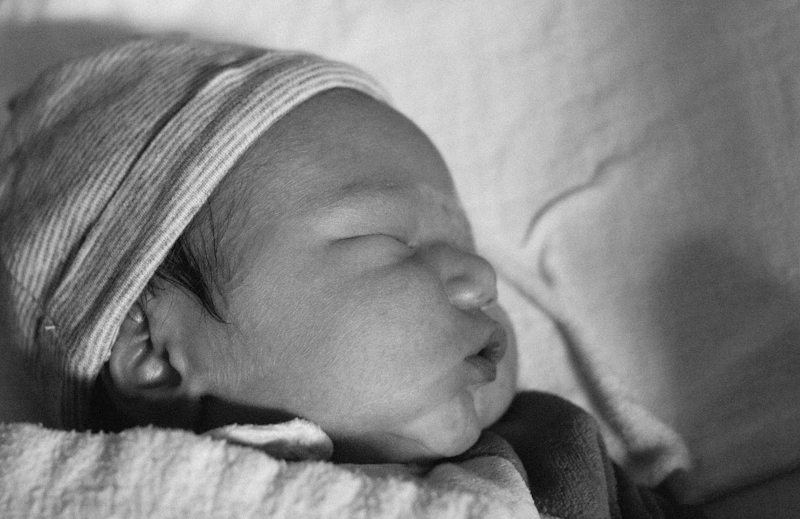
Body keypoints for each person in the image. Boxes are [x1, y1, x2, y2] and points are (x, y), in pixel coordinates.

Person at [0, 36, 703, 518]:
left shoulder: (551, 455)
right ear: (154, 353)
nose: (480, 275)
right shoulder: (72, 488)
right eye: (389, 238)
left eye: (465, 243)